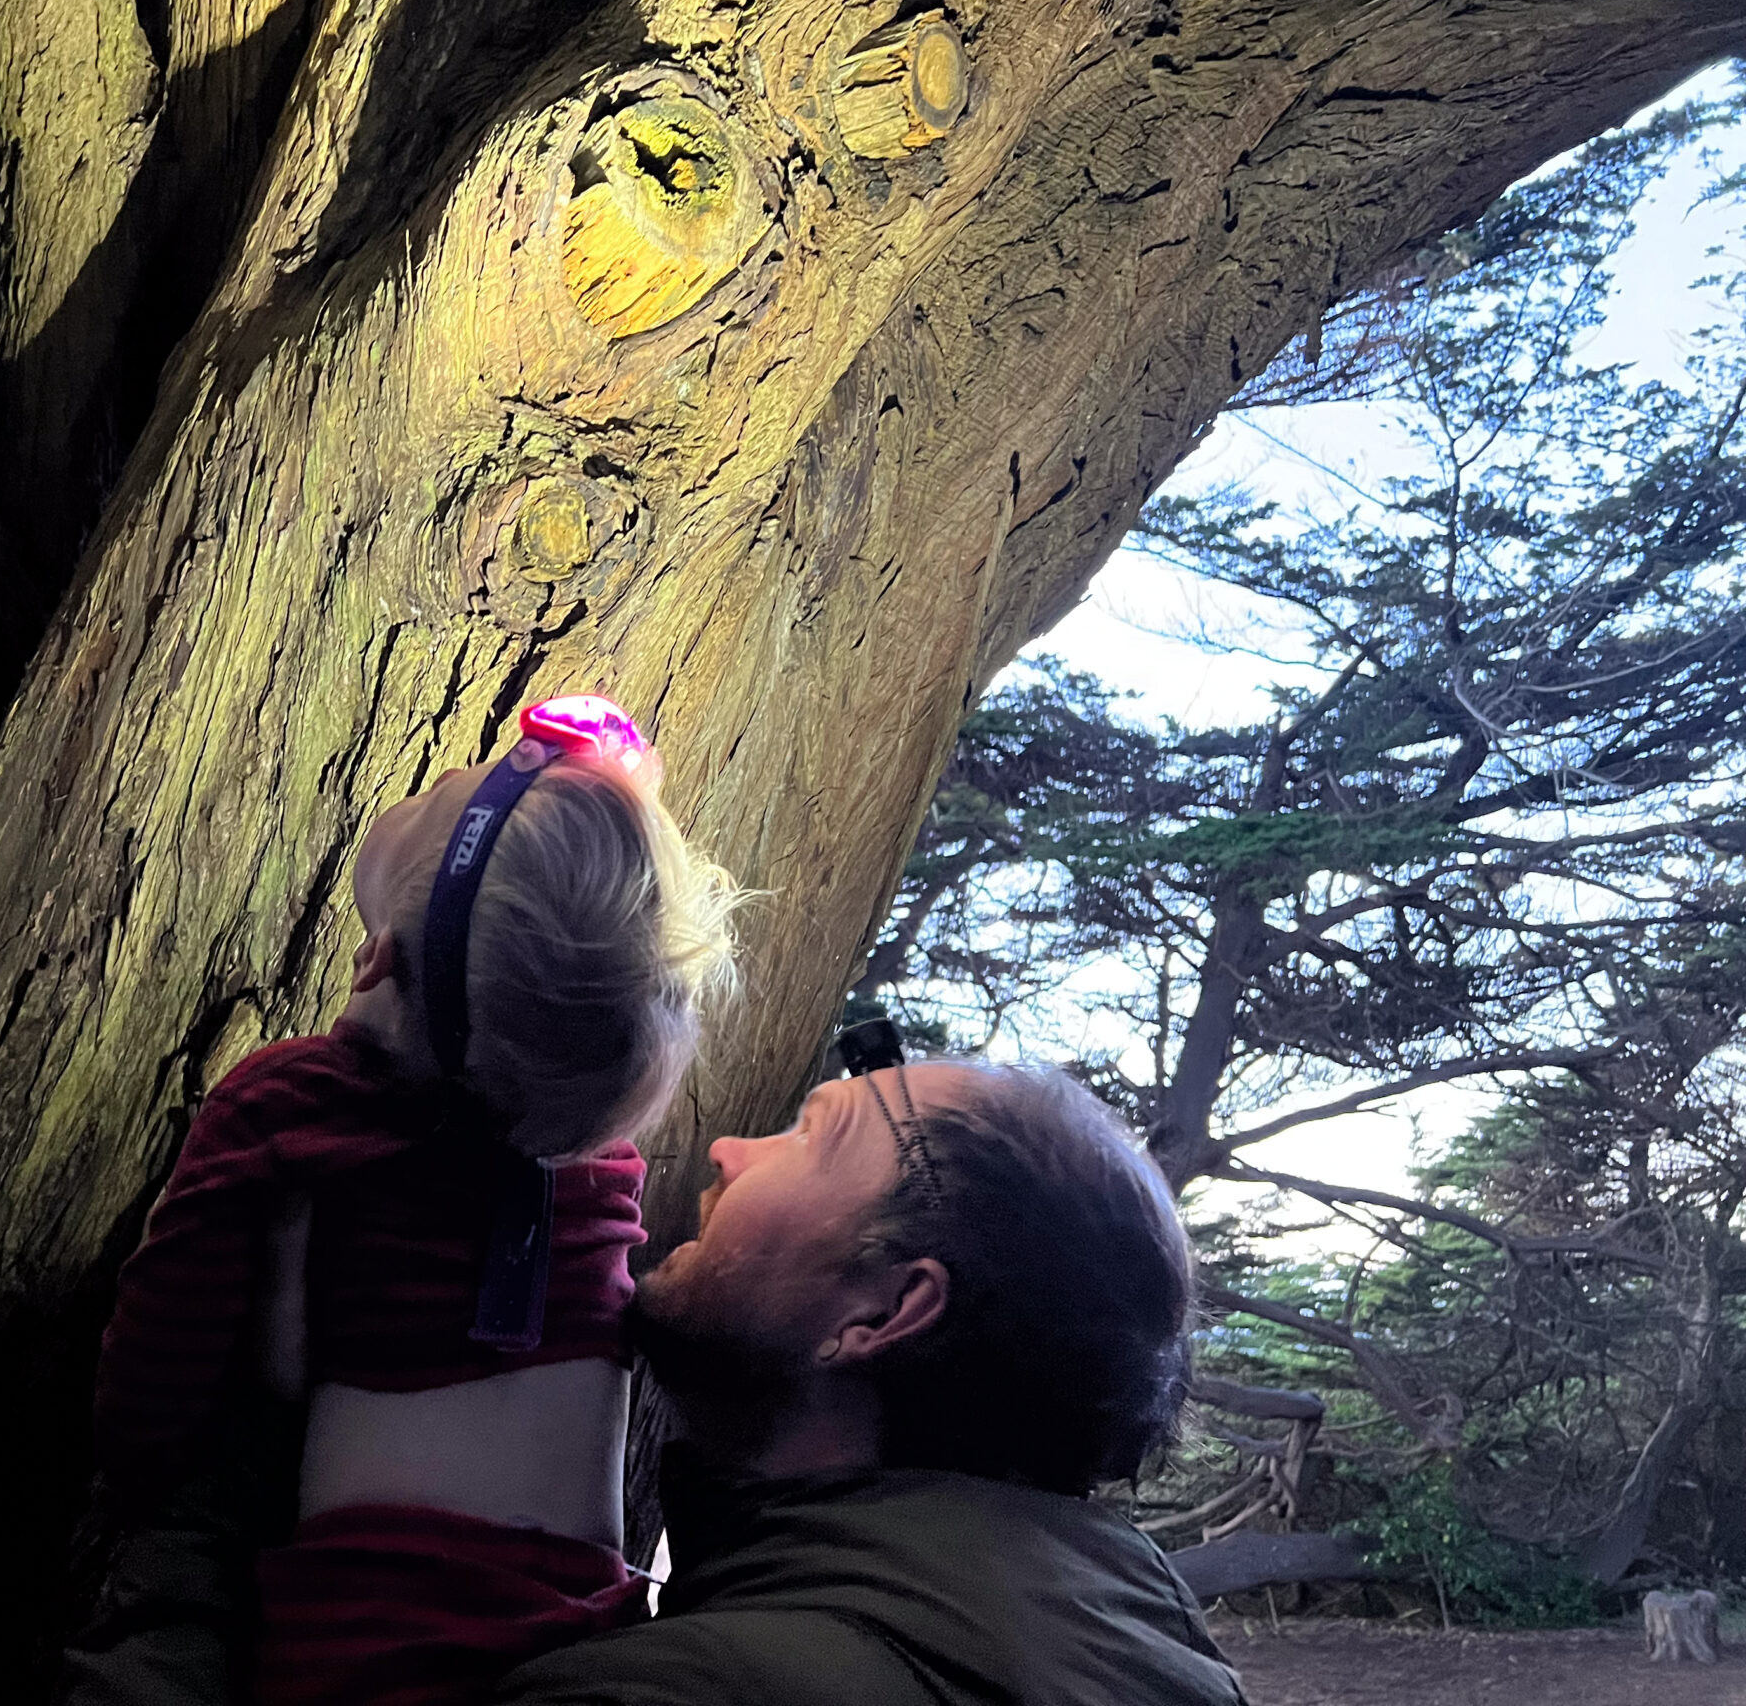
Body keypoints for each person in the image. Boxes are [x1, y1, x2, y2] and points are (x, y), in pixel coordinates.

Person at [67, 1033, 1248, 1706]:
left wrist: (218, 1495)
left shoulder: (680, 1698)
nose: (729, 1149)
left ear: (885, 1311)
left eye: (811, 1136)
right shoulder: (1149, 1651)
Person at [89, 696, 745, 1706]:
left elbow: (154, 1373)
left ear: (376, 958)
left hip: (356, 1639)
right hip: (572, 1635)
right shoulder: (596, 1172)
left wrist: (160, 1483)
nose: (447, 774)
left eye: (446, 792)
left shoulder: (287, 1107)